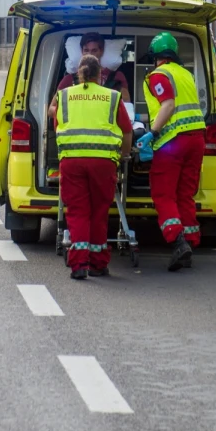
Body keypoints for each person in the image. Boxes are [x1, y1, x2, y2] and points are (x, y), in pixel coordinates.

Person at [56, 54, 133, 280]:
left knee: (78, 212)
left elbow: (57, 125)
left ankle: (79, 264)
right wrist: (123, 155)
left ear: (78, 74)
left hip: (72, 161)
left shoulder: (64, 96)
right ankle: (98, 264)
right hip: (103, 162)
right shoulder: (112, 97)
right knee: (99, 213)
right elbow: (127, 130)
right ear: (101, 74)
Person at [137, 32, 207, 271]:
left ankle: (177, 241)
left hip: (172, 142)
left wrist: (152, 133)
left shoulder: (158, 75)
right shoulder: (186, 73)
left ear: (156, 56)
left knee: (164, 194)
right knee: (185, 194)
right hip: (197, 138)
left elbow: (168, 105)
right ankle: (189, 241)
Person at [48, 31, 131, 120]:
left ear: (101, 51)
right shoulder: (69, 79)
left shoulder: (116, 77)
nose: (90, 54)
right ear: (82, 51)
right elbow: (51, 110)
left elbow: (127, 109)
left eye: (94, 50)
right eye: (86, 50)